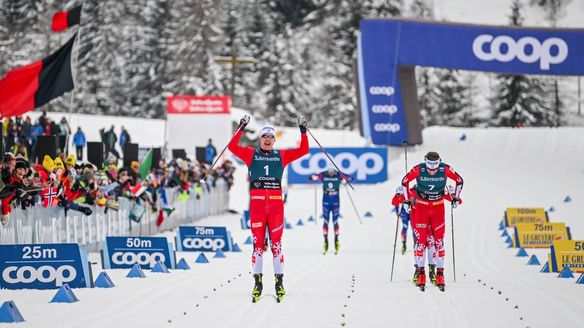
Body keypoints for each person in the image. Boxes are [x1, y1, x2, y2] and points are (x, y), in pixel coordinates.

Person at [228, 114, 309, 302]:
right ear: (260, 139)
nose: (267, 139)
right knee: (257, 247)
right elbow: (232, 148)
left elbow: (303, 150)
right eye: (264, 136)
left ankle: (279, 283)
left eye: (270, 137)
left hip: (275, 207)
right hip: (256, 206)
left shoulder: (281, 155)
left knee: (276, 246)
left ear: (274, 140)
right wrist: (241, 127)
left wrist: (303, 130)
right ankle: (258, 283)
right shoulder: (251, 154)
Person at [400, 151, 463, 290]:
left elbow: (459, 180)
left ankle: (440, 274)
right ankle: (421, 273)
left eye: (434, 169)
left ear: (439, 162)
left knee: (439, 241)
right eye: (429, 169)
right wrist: (406, 200)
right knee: (421, 242)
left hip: (438, 208)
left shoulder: (445, 169)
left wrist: (456, 197)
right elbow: (405, 181)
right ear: (425, 163)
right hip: (422, 208)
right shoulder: (419, 169)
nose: (432, 172)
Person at [309, 168, 350, 255]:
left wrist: (345, 178)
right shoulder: (323, 174)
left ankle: (336, 240)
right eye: (329, 172)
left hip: (336, 202)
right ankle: (325, 241)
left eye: (332, 173)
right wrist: (314, 177)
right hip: (326, 202)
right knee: (326, 221)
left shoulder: (338, 174)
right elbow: (310, 178)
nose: (331, 174)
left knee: (335, 221)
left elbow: (351, 179)